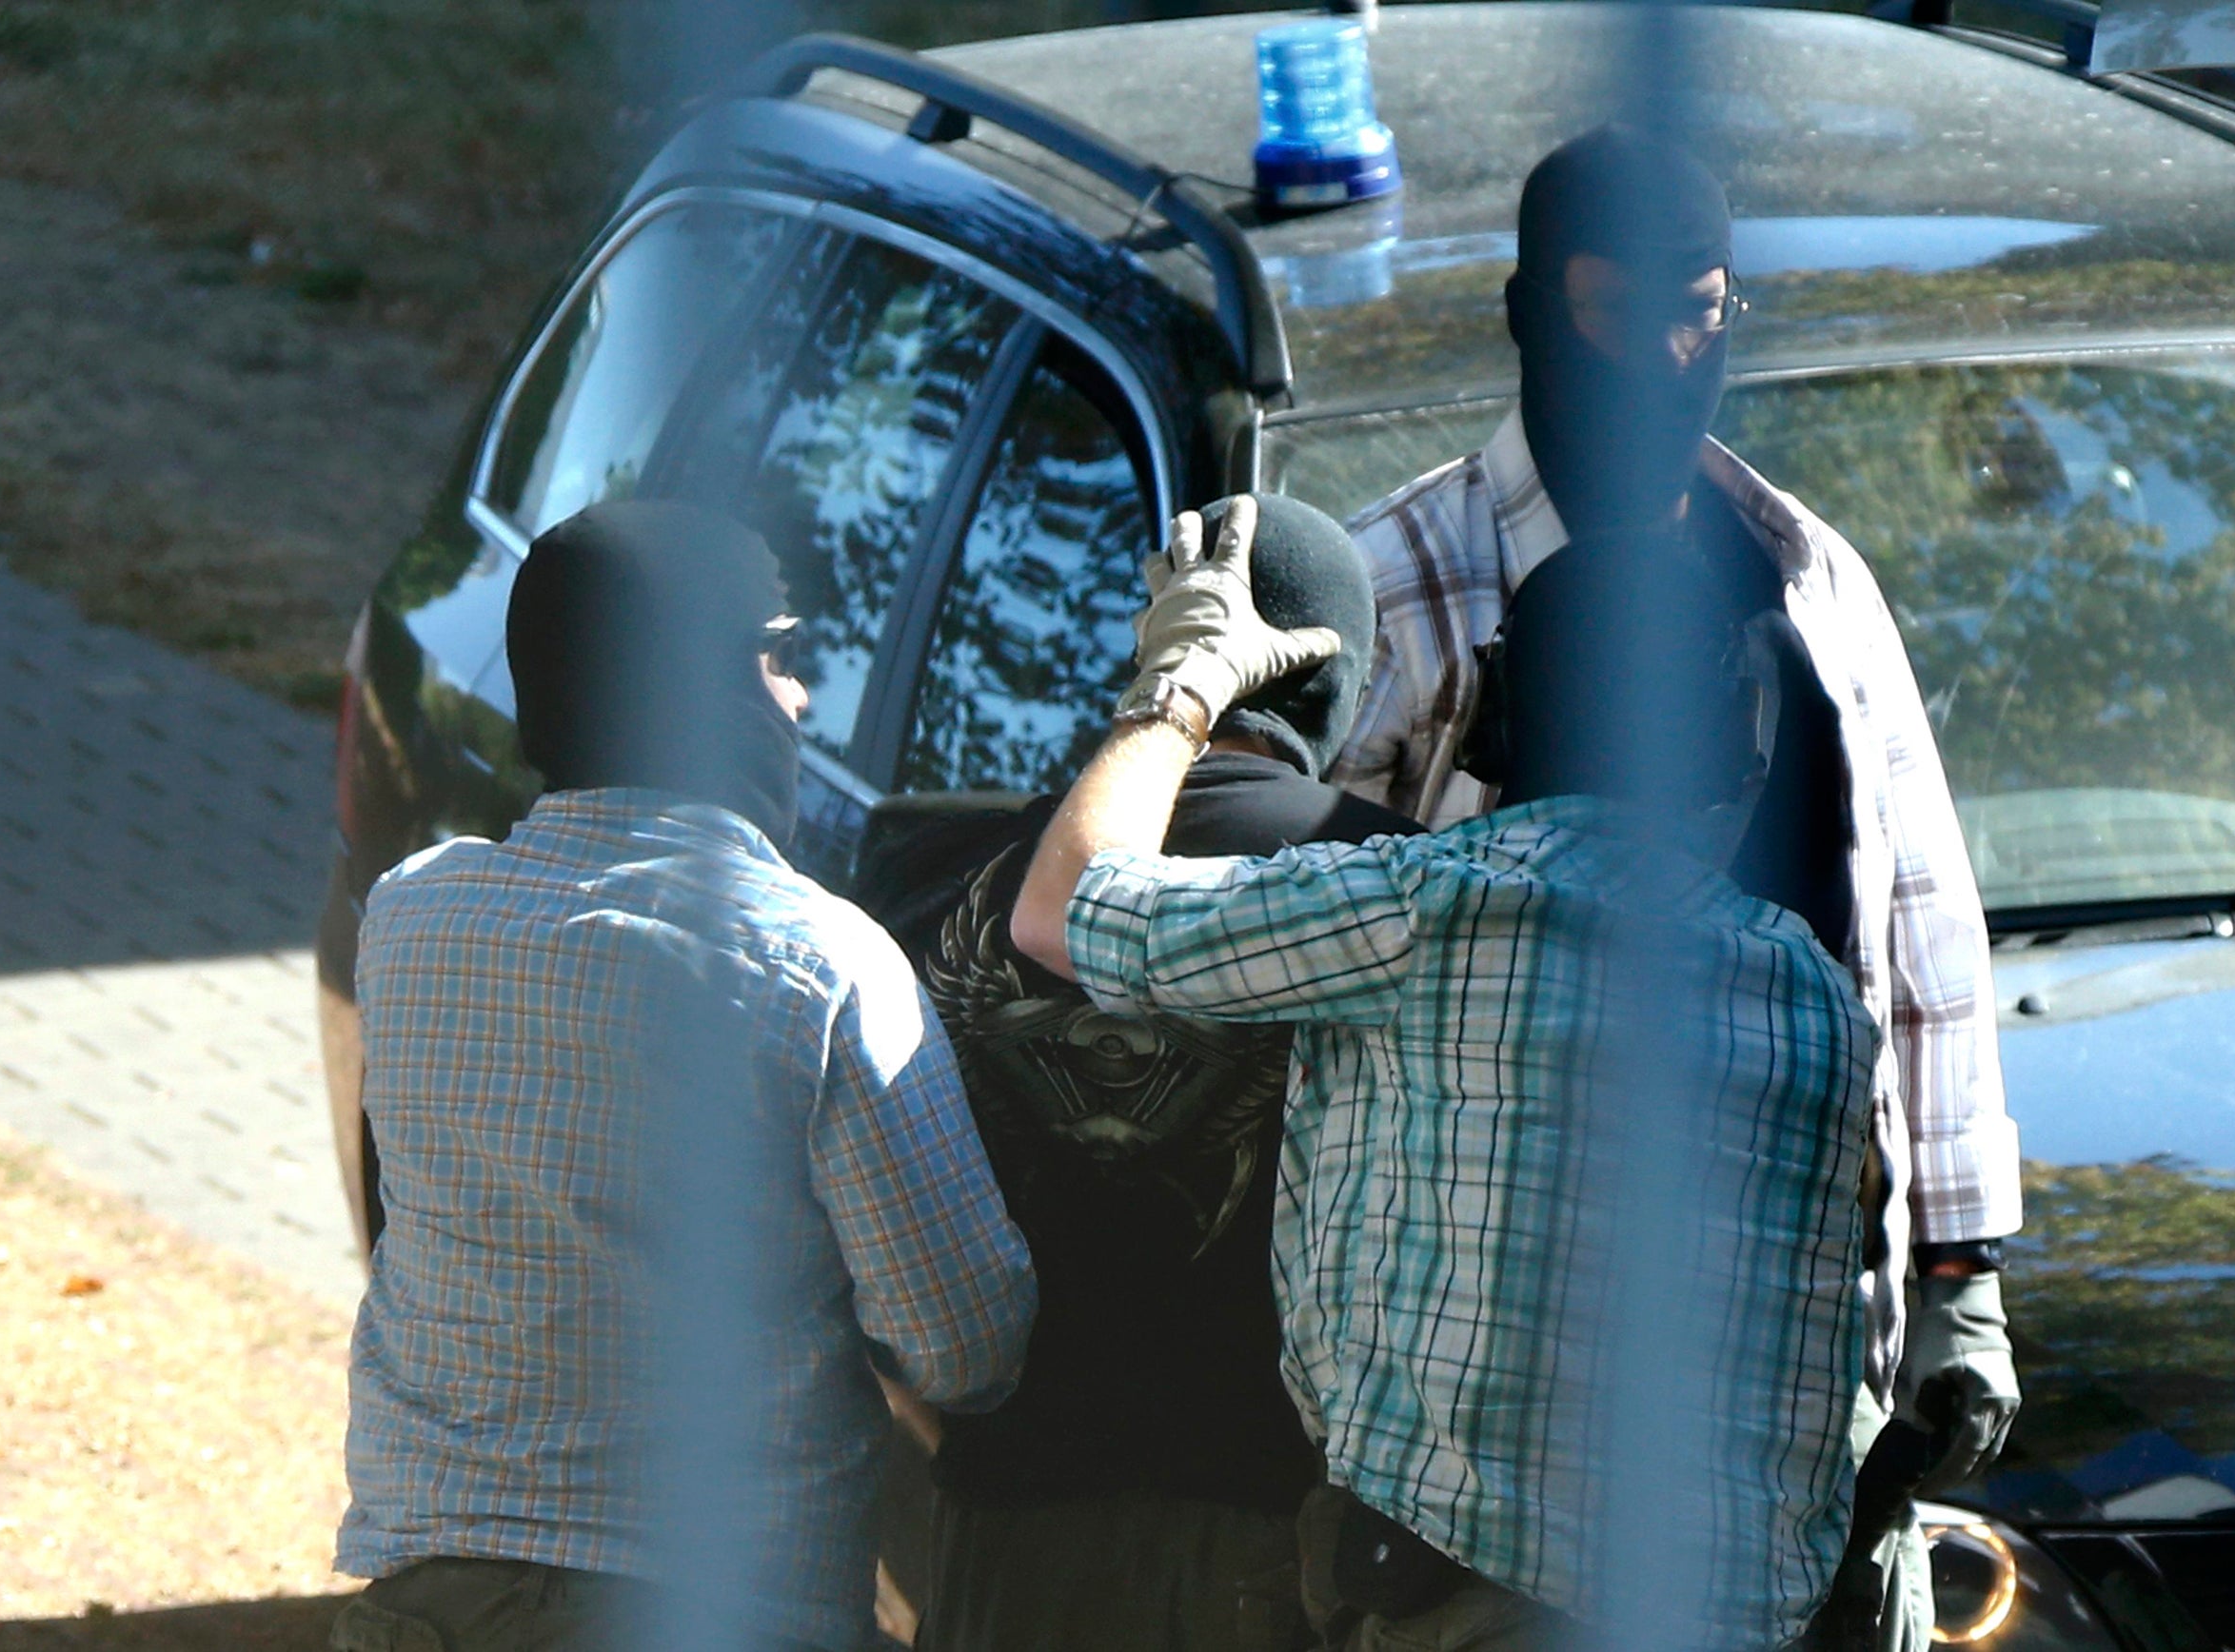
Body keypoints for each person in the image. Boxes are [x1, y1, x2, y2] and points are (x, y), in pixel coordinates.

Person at [1329, 126, 2024, 1647]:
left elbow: (1921, 934)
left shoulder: (1809, 580)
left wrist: (1960, 1280)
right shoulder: (1396, 592)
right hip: (1497, 1409)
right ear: (1525, 311)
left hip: (1804, 1381)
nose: (1660, 350)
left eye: (1699, 311)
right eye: (1608, 310)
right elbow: (1307, 982)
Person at [1007, 496, 1882, 1650]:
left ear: (1485, 714)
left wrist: (1184, 683)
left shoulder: (1434, 904)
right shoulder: (1817, 1001)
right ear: (1737, 738)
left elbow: (1060, 912)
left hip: (1477, 1601)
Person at [329, 502, 1035, 1652]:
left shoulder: (409, 918)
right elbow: (962, 1346)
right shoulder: (822, 966)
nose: (799, 697)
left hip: (430, 1599)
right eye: (775, 655)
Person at [877, 496, 1418, 1652]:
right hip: (1281, 1551)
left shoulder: (930, 883)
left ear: (1156, 641)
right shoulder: (1411, 900)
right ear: (1344, 682)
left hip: (999, 1538)